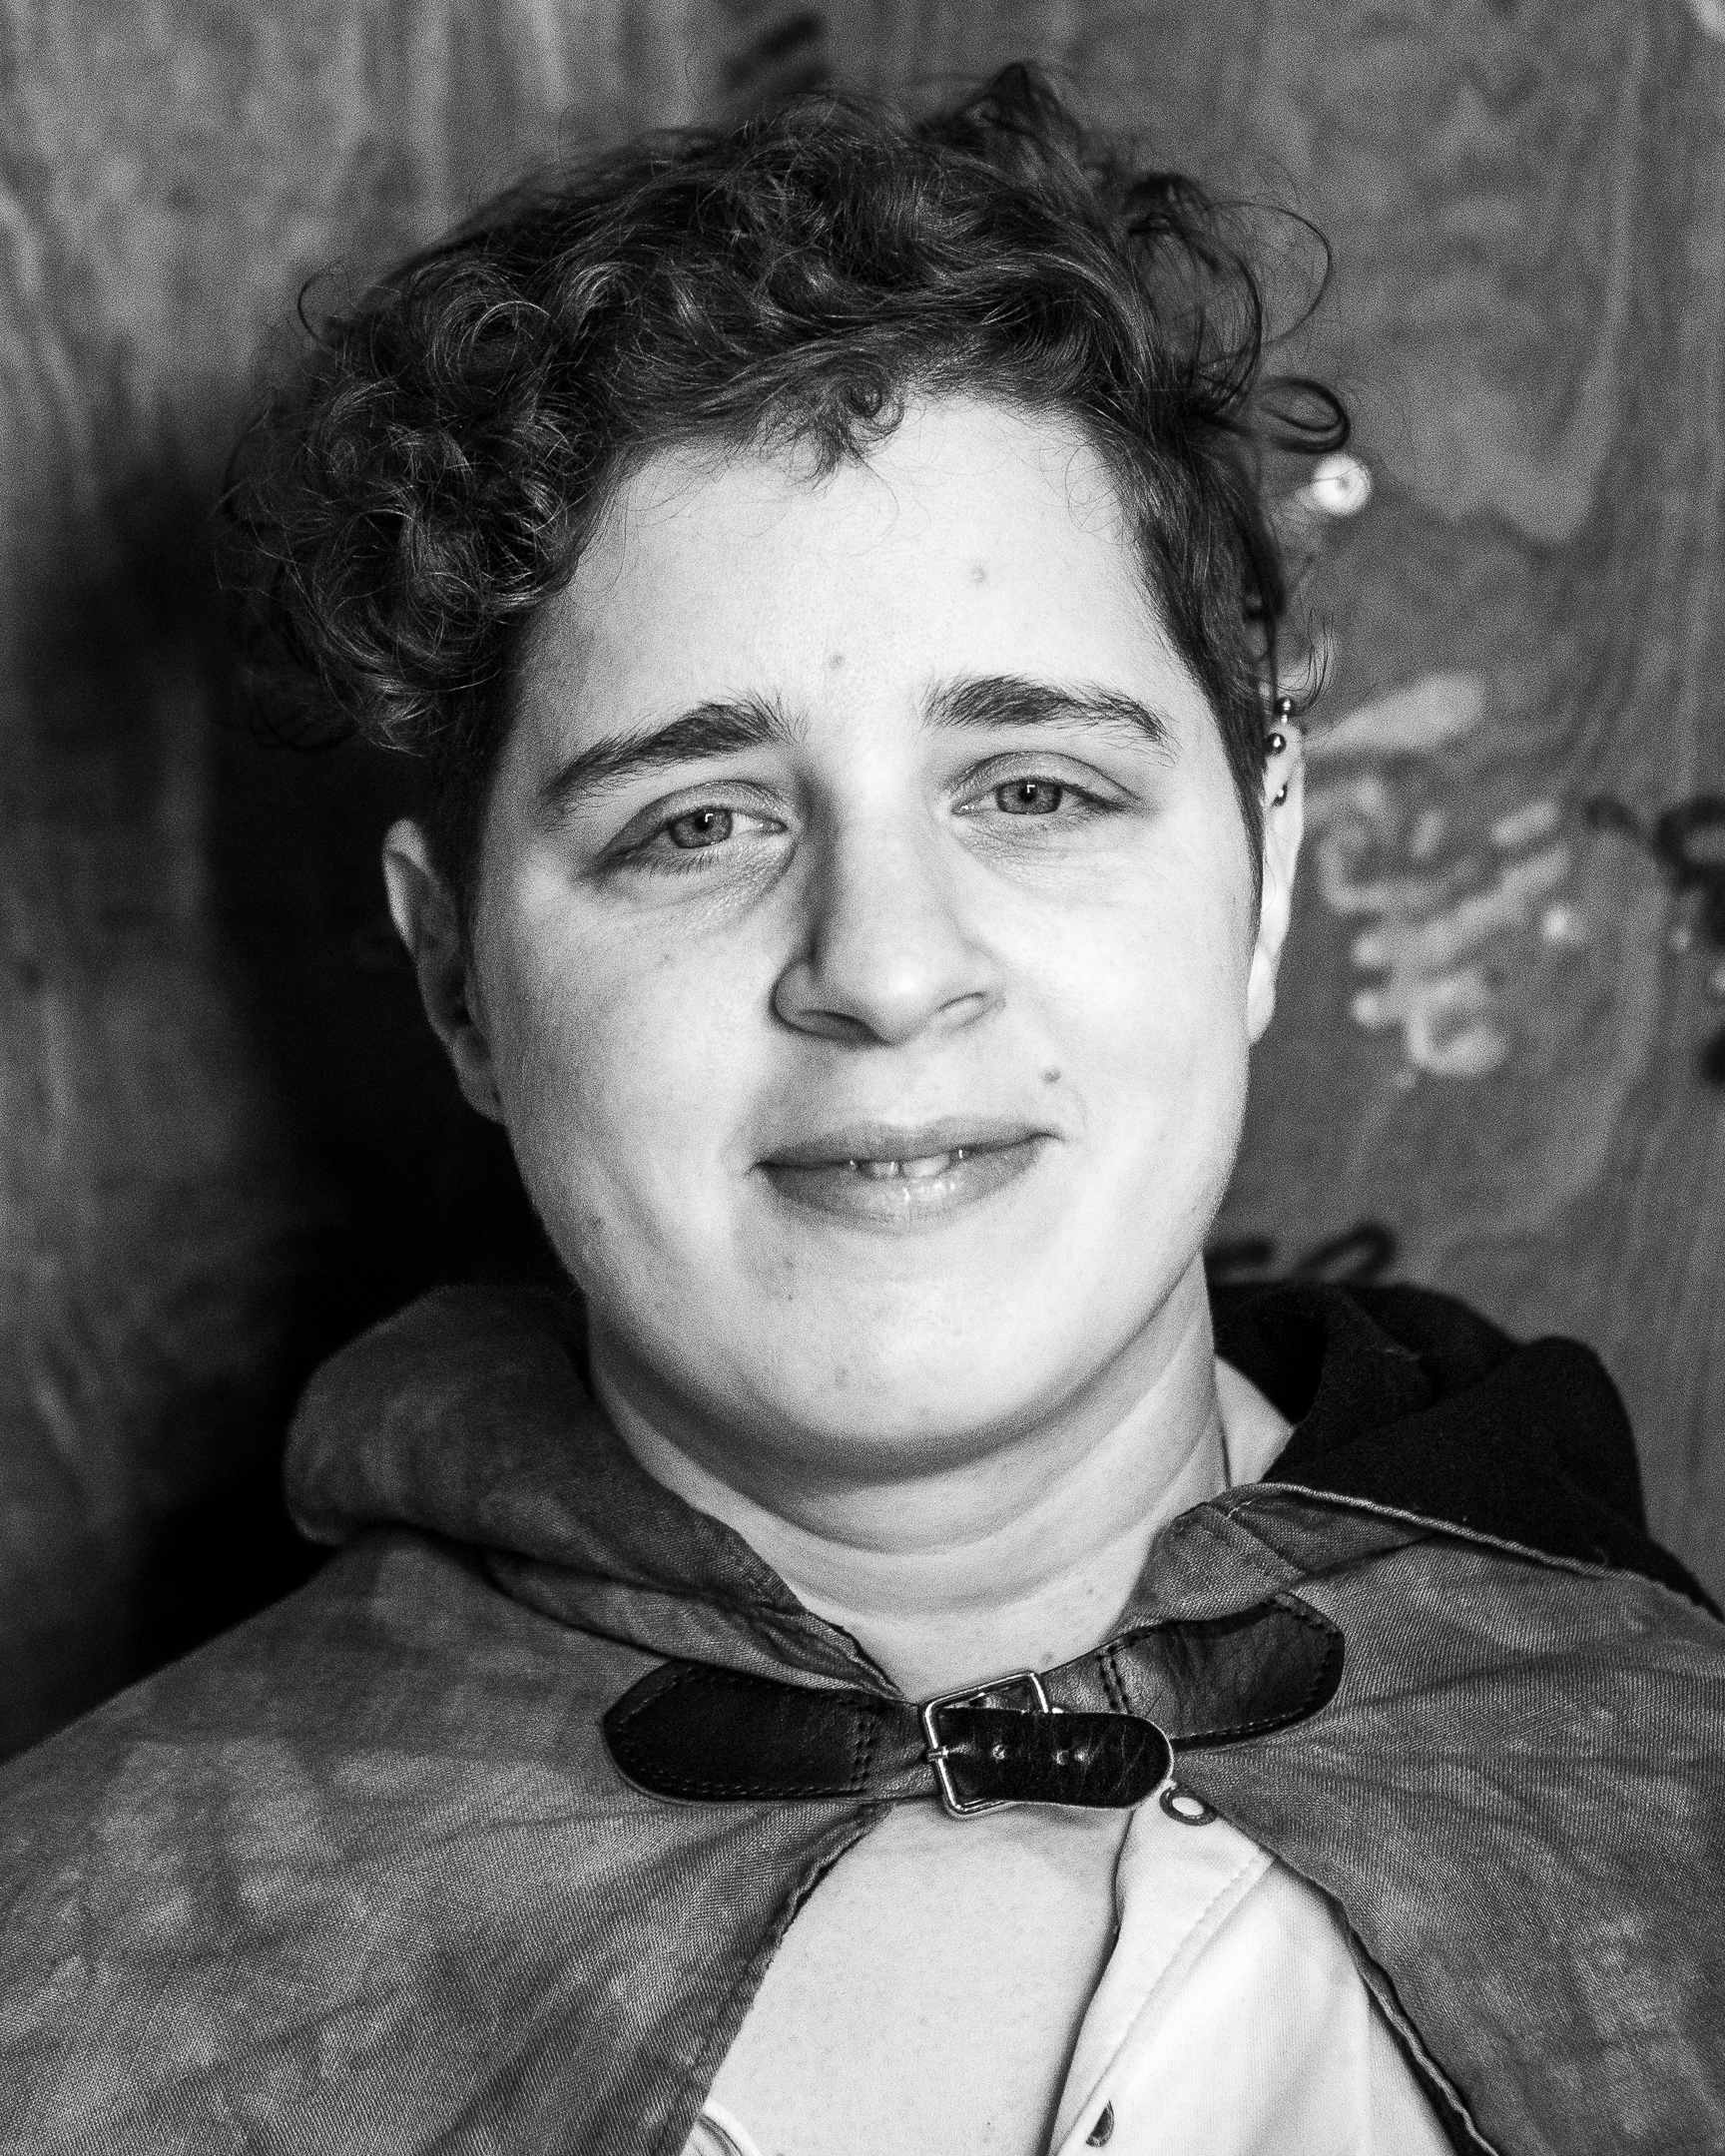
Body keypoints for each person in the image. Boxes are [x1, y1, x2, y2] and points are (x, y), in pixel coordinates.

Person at [1, 64, 1719, 2156]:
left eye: (1036, 788)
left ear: (1266, 871)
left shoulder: (1678, 1814)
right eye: (698, 823)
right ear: (458, 978)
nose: (889, 970)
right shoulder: (69, 1976)